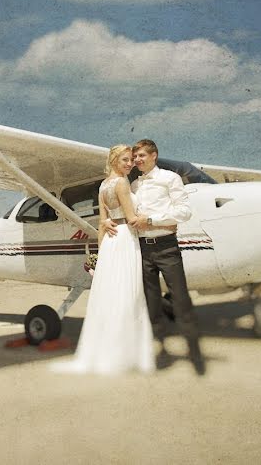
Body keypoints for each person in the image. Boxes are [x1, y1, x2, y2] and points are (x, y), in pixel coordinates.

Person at [51, 145, 155, 375]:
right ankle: (126, 354)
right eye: (125, 160)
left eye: (131, 160)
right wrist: (157, 221)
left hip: (110, 242)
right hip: (125, 238)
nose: (130, 164)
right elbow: (131, 219)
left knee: (112, 294)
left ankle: (109, 351)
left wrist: (101, 253)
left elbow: (102, 223)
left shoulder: (103, 185)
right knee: (128, 292)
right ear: (115, 160)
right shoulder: (121, 183)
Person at [104, 139, 205, 375]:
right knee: (151, 303)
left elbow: (184, 211)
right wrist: (109, 220)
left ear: (154, 156)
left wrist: (151, 220)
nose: (137, 160)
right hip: (141, 248)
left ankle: (195, 352)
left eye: (141, 156)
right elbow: (123, 211)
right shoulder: (133, 185)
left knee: (180, 299)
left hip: (166, 247)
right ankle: (161, 350)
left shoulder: (170, 179)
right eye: (134, 157)